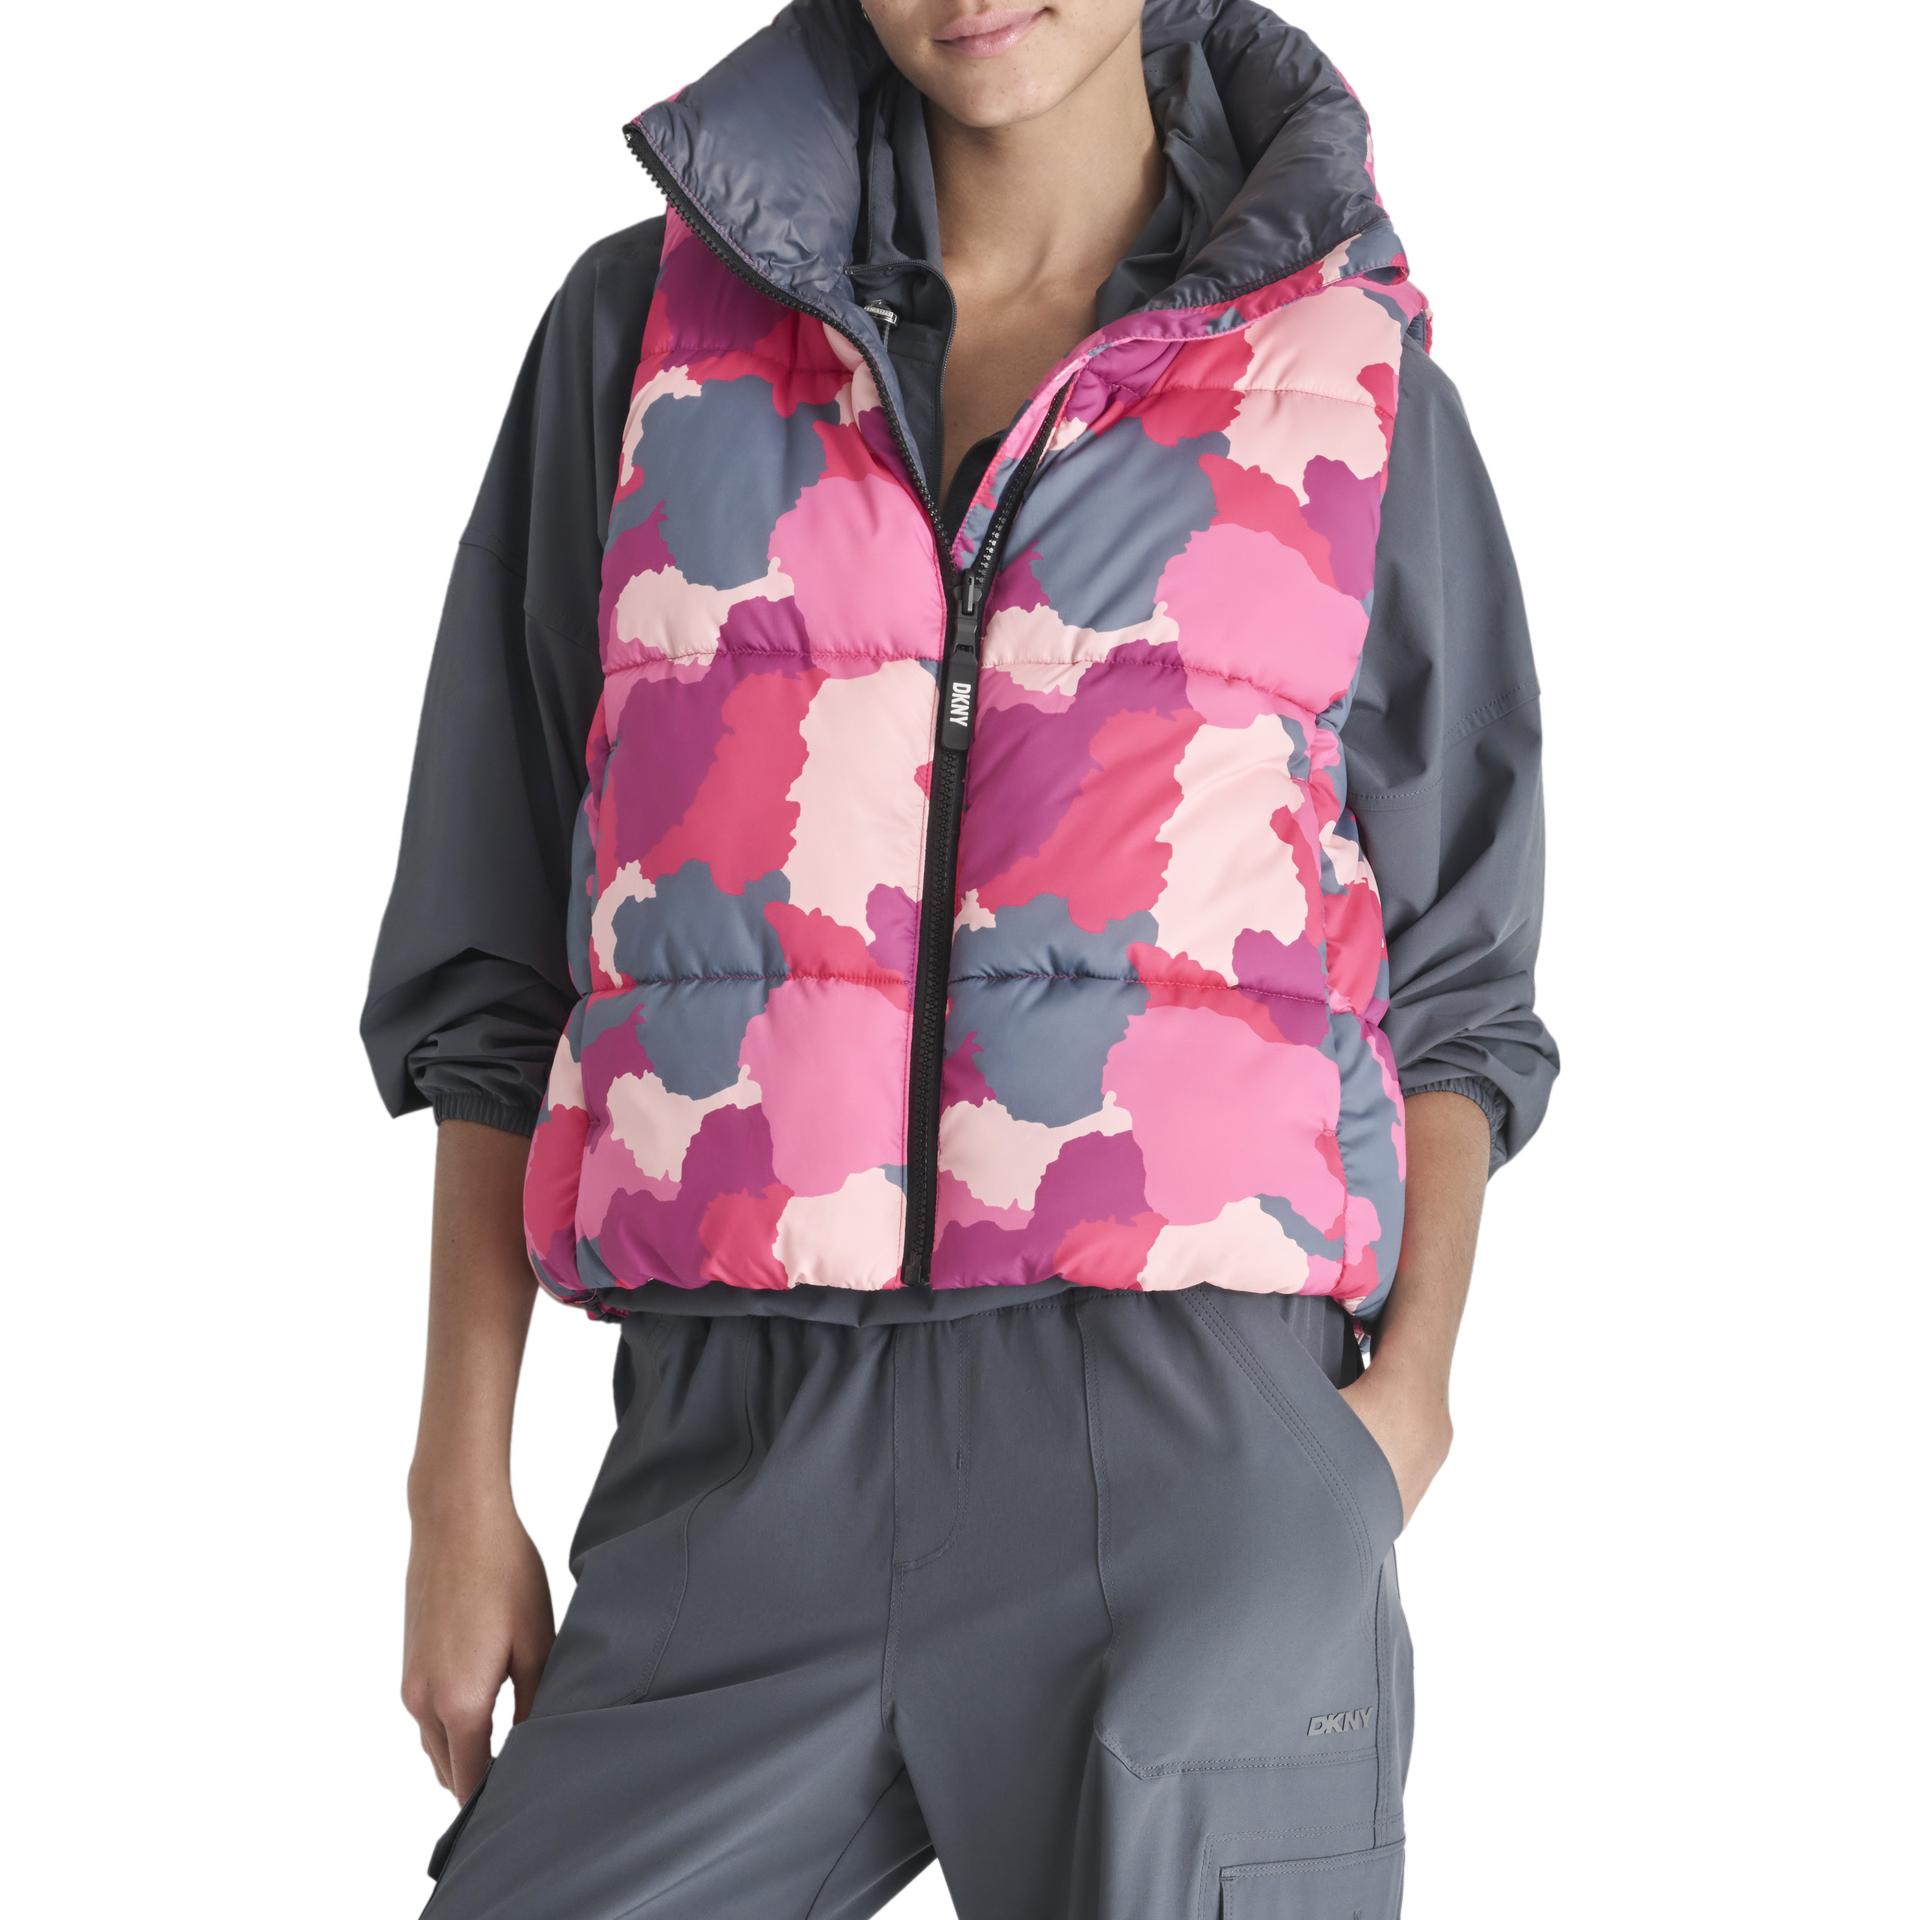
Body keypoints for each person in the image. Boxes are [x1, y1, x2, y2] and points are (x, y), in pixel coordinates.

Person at [362, 2, 1558, 1913]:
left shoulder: (1350, 389)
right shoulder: (643, 340)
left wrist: (1397, 1415)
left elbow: (1458, 981)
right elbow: (499, 945)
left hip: (1188, 1454)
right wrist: (456, 1480)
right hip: (733, 1460)